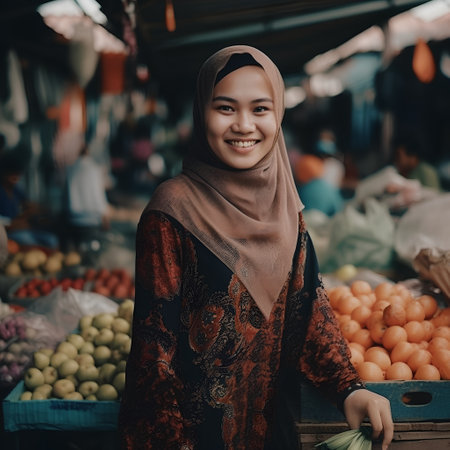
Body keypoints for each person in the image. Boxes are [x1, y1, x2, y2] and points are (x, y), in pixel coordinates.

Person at [118, 46, 393, 450]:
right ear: (201, 112)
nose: (244, 125)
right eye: (225, 108)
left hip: (273, 437)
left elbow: (309, 316)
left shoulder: (288, 210)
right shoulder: (171, 212)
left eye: (260, 109)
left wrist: (349, 389)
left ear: (278, 114)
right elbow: (153, 359)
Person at [0, 149, 59, 248]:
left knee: (52, 240)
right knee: (28, 240)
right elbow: (6, 224)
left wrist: (38, 210)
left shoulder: (16, 190)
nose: (16, 177)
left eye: (18, 174)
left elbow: (28, 205)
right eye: (12, 174)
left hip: (23, 229)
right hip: (8, 233)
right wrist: (16, 224)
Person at [62, 143, 111, 251]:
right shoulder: (95, 169)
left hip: (72, 220)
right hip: (91, 222)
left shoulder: (70, 169)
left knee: (75, 252)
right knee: (91, 252)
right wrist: (106, 219)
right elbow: (99, 198)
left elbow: (64, 198)